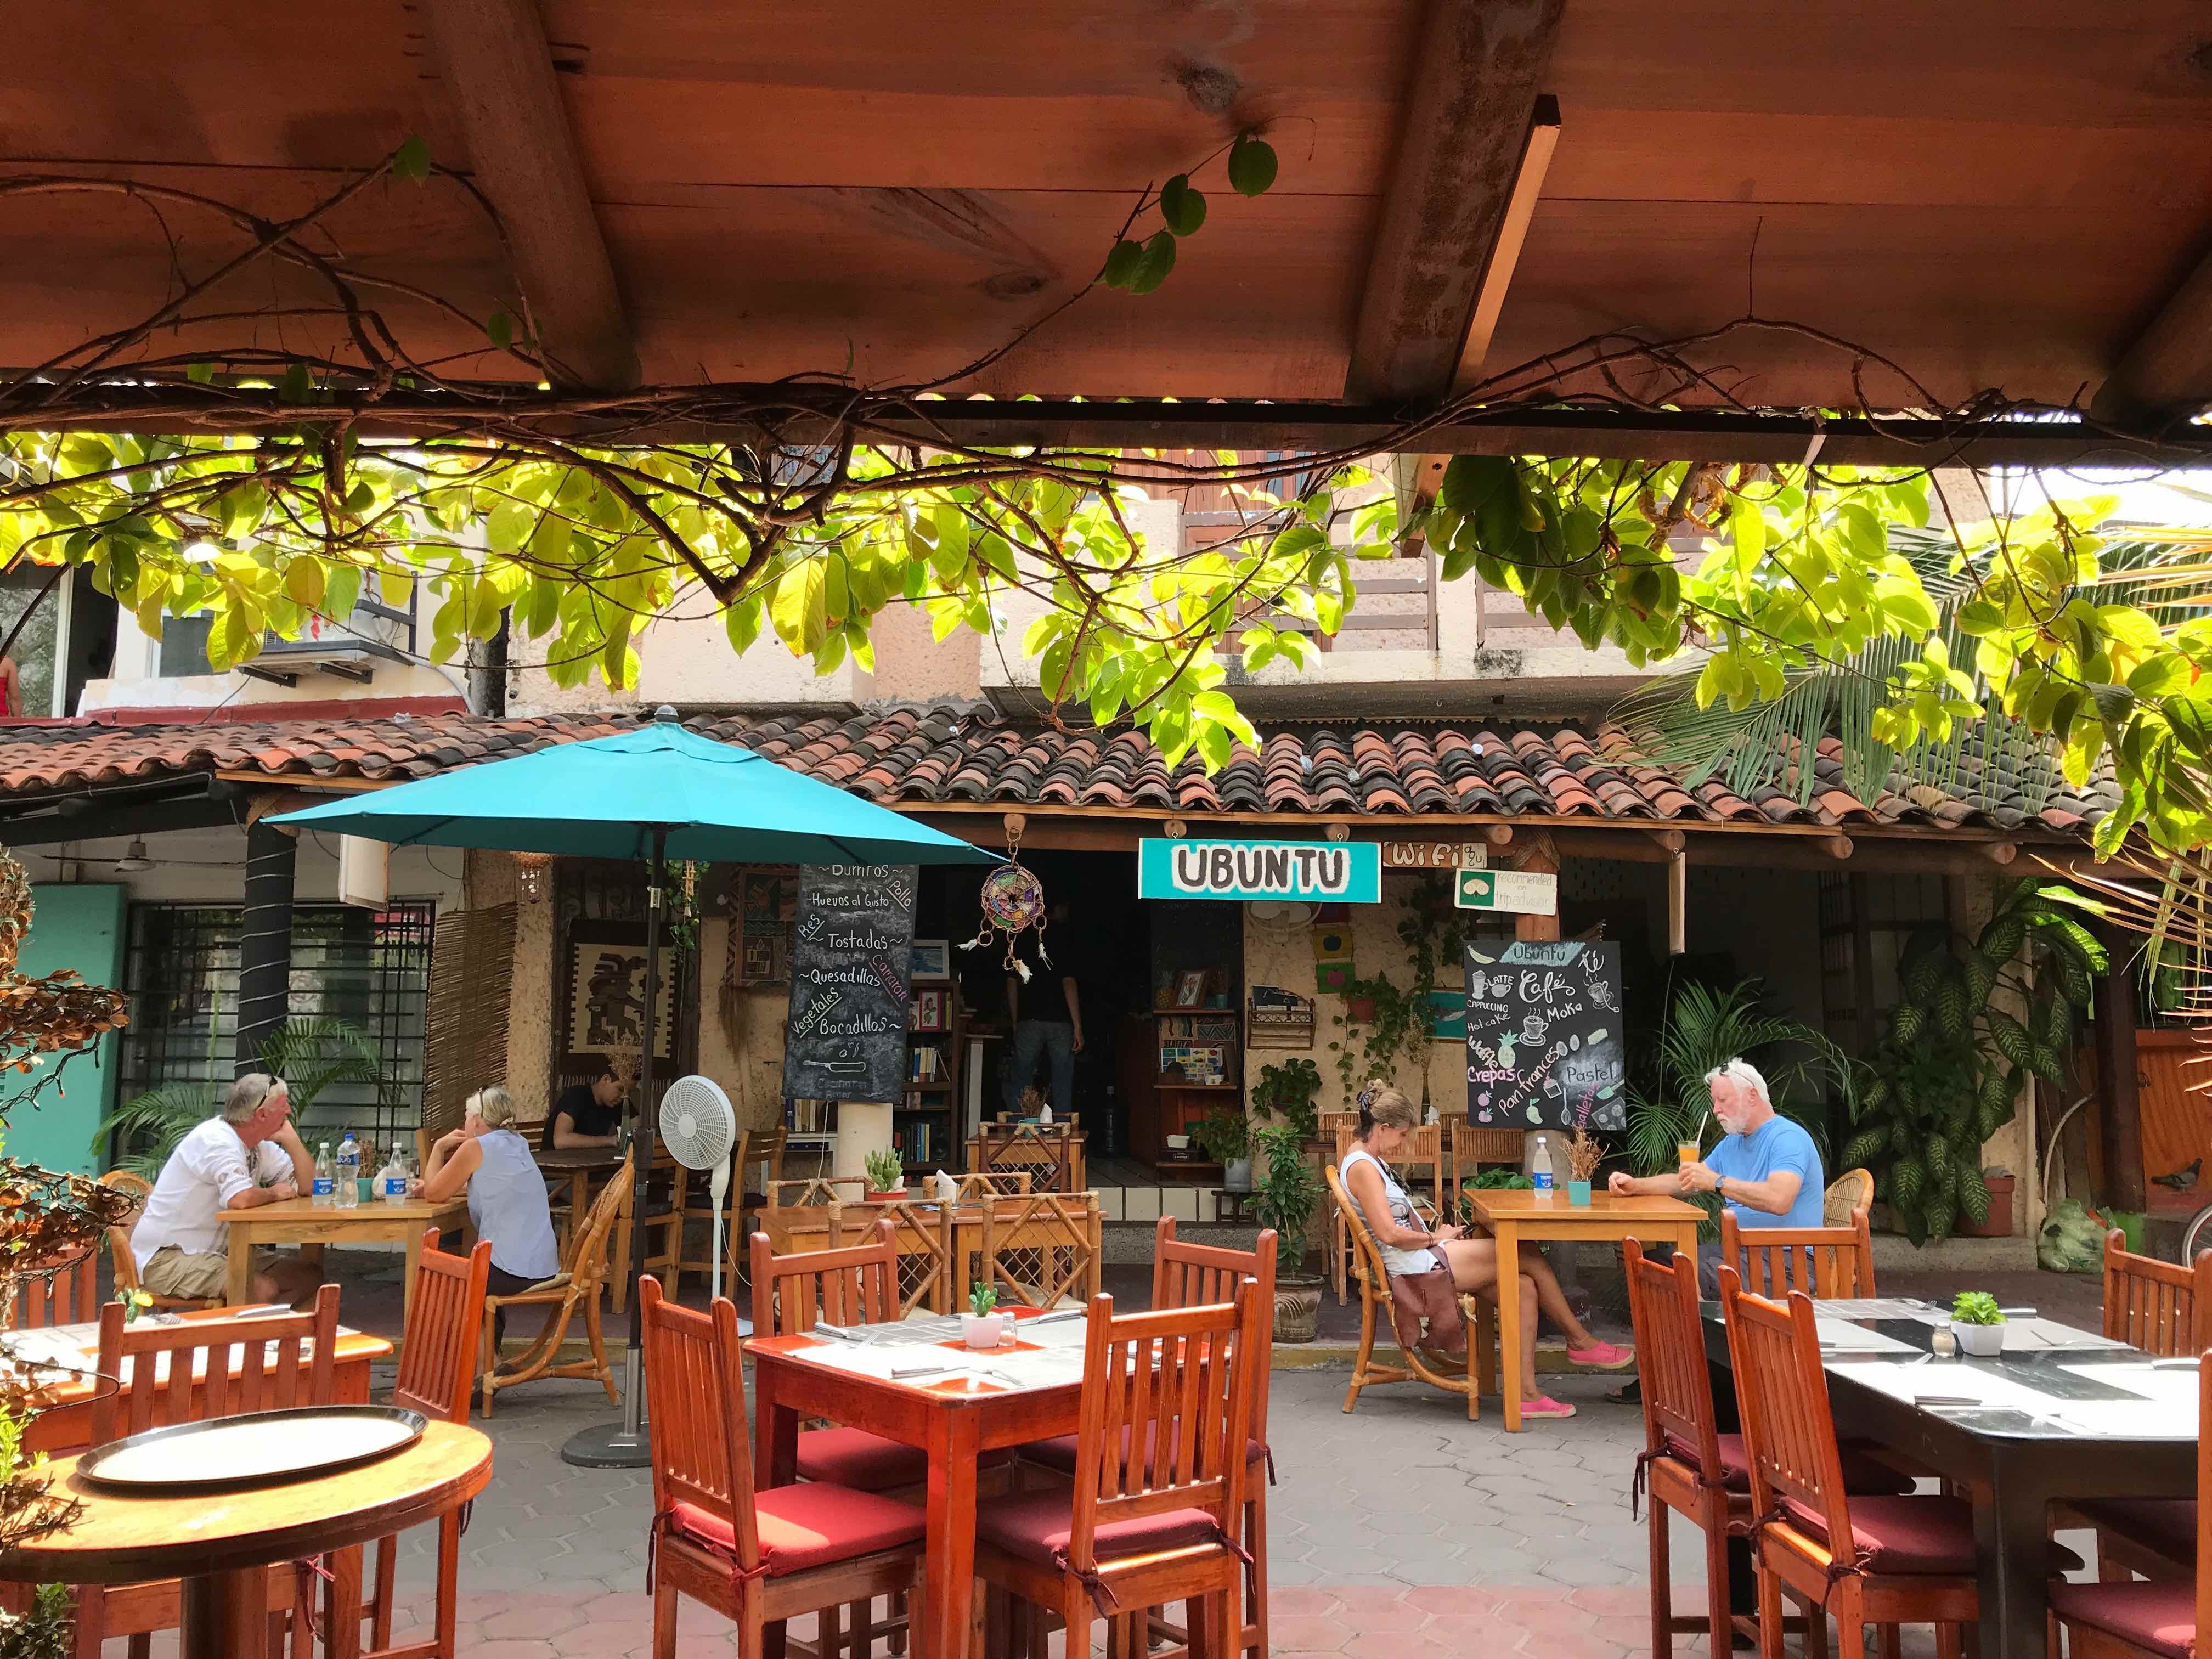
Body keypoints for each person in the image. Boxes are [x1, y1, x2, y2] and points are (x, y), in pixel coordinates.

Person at [1339, 1082, 1632, 1420]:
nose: (1403, 1143)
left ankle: (1527, 1395)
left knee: (1523, 1287)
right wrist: (1435, 1238)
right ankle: (1579, 1341)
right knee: (1525, 1251)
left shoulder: (1366, 1158)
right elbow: (1389, 1233)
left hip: (1420, 1258)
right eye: (1402, 1135)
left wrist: (1438, 1239)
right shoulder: (1363, 1167)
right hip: (1415, 1268)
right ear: (1383, 1128)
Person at [1609, 1056, 1825, 1294]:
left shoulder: (1787, 1138)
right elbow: (1688, 1181)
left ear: (1752, 1096)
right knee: (1650, 1262)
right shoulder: (1732, 1143)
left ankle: (1699, 1318)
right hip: (1743, 1253)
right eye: (1714, 1102)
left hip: (1789, 1261)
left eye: (1722, 1100)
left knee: (1685, 1273)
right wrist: (1634, 1185)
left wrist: (1718, 1182)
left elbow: (1779, 1199)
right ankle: (1686, 1318)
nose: (1716, 1110)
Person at [132, 1073, 321, 1305]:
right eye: (284, 1105)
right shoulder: (217, 1140)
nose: (289, 1111)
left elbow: (310, 1187)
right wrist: (274, 1193)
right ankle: (250, 1326)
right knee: (261, 1290)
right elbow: (239, 1199)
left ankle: (275, 1325)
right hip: (166, 1258)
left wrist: (292, 1140)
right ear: (262, 1114)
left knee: (308, 1277)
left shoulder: (258, 1145)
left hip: (225, 1250)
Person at [420, 1086, 562, 1351]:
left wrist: (438, 1148)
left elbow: (434, 1194)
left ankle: (464, 1360)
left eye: (466, 1116)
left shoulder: (475, 1146)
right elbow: (494, 1183)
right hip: (543, 1265)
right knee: (483, 1264)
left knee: (450, 1277)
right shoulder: (518, 1143)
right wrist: (447, 1183)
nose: (464, 1123)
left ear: (476, 1120)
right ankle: (489, 1357)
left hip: (511, 1271)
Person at [1002, 901, 1082, 1119]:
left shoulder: (1021, 936)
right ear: (1056, 909)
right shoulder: (1065, 938)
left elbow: (1011, 983)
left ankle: (1019, 1130)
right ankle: (1063, 1132)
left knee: (1022, 1080)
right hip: (1061, 1023)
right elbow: (1068, 983)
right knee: (1062, 1081)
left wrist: (1016, 1021)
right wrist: (1077, 1027)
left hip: (1029, 1021)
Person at [541, 1056, 624, 1149]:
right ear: (606, 1080)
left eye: (629, 1092)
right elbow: (561, 1141)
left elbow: (634, 1127)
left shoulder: (616, 1102)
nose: (623, 1096)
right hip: (554, 1158)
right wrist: (610, 1141)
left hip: (586, 1157)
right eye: (621, 1089)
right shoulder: (577, 1095)